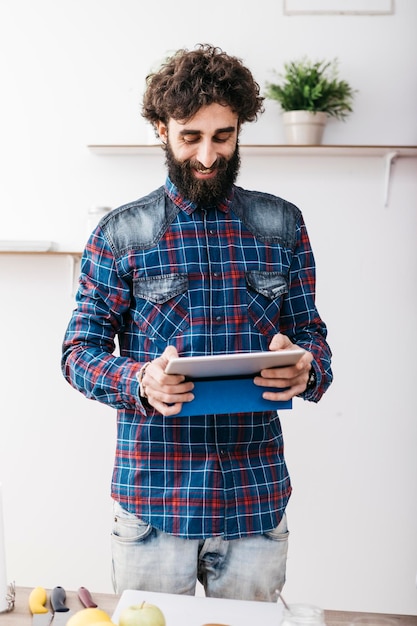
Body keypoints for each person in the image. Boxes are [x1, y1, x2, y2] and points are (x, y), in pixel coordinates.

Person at [61, 44, 333, 602]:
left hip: (255, 503)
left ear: (239, 130)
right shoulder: (121, 234)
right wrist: (139, 379)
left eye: (223, 136)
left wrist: (307, 370)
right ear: (162, 130)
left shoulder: (283, 225)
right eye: (191, 137)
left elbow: (314, 341)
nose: (208, 155)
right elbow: (76, 353)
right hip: (153, 506)